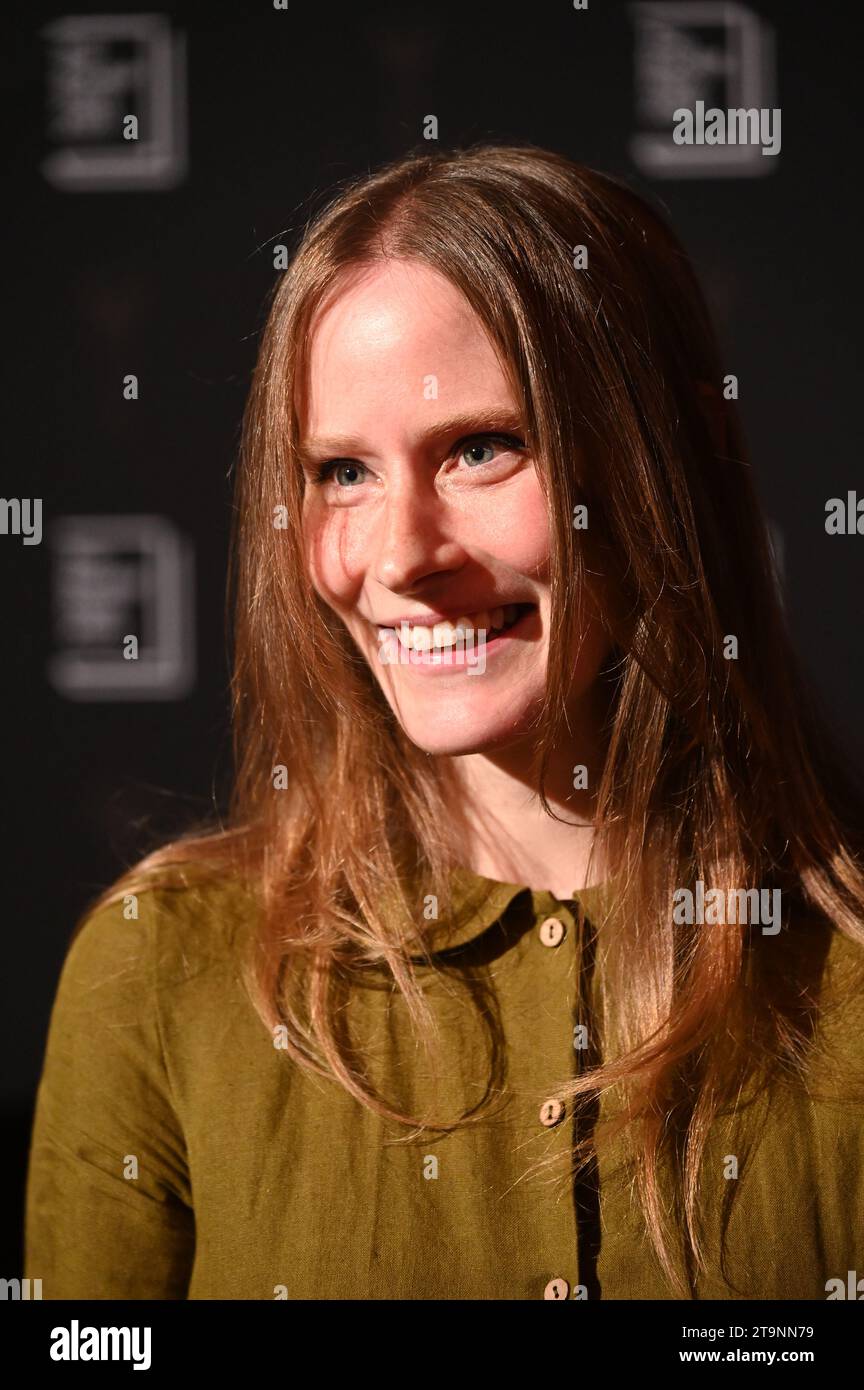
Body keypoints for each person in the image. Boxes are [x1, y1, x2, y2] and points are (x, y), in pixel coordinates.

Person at [25, 143, 864, 1300]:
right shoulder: (158, 971)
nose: (401, 556)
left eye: (481, 448)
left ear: (649, 465)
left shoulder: (849, 965)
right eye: (341, 472)